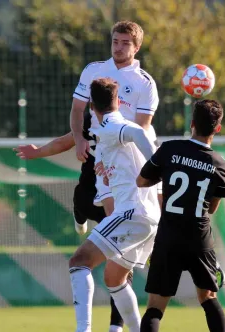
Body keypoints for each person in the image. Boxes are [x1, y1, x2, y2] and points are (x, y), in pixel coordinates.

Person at [52, 78, 159, 332]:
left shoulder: (113, 126)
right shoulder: (109, 130)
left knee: (79, 260)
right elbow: (137, 138)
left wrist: (156, 166)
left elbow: (136, 132)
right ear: (117, 100)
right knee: (114, 278)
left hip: (132, 213)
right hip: (148, 217)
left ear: (90, 104)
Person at [14, 112, 131, 332]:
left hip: (108, 198)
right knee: (118, 266)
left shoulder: (119, 123)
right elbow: (67, 140)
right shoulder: (118, 124)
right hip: (106, 198)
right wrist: (38, 151)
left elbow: (67, 140)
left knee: (110, 267)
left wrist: (37, 152)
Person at [135, 99, 225, 332]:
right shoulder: (219, 163)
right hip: (199, 237)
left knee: (156, 303)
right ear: (218, 128)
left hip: (169, 234)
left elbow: (142, 181)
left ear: (192, 123)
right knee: (208, 297)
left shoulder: (170, 149)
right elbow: (211, 207)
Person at [70, 20, 159, 213]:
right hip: (101, 148)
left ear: (137, 47)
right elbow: (77, 109)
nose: (118, 48)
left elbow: (142, 127)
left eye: (125, 43)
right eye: (115, 41)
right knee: (105, 210)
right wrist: (79, 138)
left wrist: (116, 157)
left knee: (142, 210)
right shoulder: (93, 70)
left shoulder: (145, 83)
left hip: (130, 152)